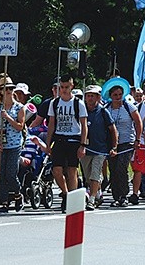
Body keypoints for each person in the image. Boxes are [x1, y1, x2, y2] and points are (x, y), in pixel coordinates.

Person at [46, 74, 88, 213]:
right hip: (59, 139)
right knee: (56, 170)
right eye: (62, 87)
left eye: (67, 87)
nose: (64, 90)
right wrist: (47, 143)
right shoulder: (55, 103)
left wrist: (83, 145)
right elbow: (51, 124)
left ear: (72, 86)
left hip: (74, 139)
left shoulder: (78, 103)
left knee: (72, 171)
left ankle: (72, 199)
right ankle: (65, 194)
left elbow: (84, 125)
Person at [102, 77, 142, 207]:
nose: (118, 97)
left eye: (120, 94)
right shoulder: (106, 108)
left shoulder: (128, 106)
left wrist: (137, 139)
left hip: (127, 142)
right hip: (112, 144)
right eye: (115, 95)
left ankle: (124, 195)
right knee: (113, 169)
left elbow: (138, 122)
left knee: (121, 167)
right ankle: (116, 196)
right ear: (110, 96)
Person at [81, 85, 117, 211]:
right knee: (87, 175)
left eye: (93, 96)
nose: (90, 98)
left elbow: (113, 130)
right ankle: (98, 193)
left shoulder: (103, 111)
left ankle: (91, 200)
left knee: (95, 174)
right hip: (85, 149)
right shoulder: (81, 111)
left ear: (98, 97)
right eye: (88, 96)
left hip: (100, 149)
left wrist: (114, 147)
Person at [0, 81, 26, 213]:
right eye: (6, 89)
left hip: (14, 144)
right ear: (1, 91)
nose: (9, 91)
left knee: (11, 173)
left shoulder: (19, 108)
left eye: (11, 89)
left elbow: (19, 126)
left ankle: (18, 194)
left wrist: (7, 117)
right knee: (2, 175)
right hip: (1, 145)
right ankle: (4, 201)